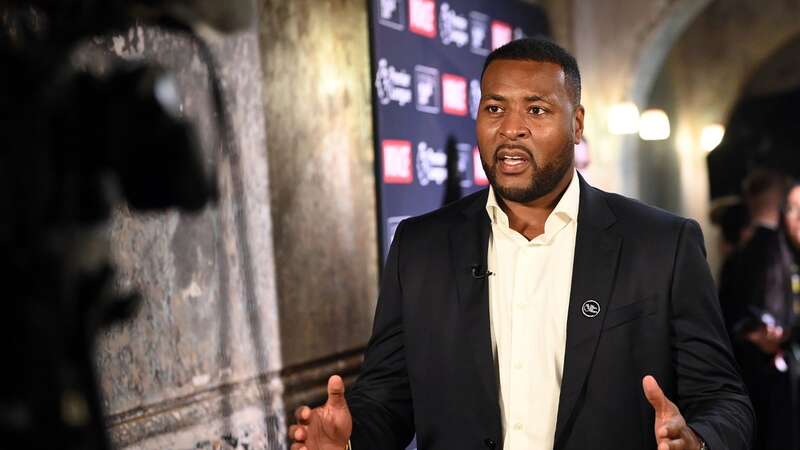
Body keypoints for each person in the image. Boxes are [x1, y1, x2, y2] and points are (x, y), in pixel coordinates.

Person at [289, 38, 753, 450]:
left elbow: (723, 399)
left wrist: (699, 441)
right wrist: (348, 439)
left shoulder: (661, 244)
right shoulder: (420, 246)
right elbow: (388, 397)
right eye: (494, 108)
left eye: (536, 109)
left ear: (576, 124)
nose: (511, 128)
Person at [719, 180, 800, 449]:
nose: (798, 218)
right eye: (791, 209)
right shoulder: (773, 253)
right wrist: (757, 334)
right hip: (778, 386)